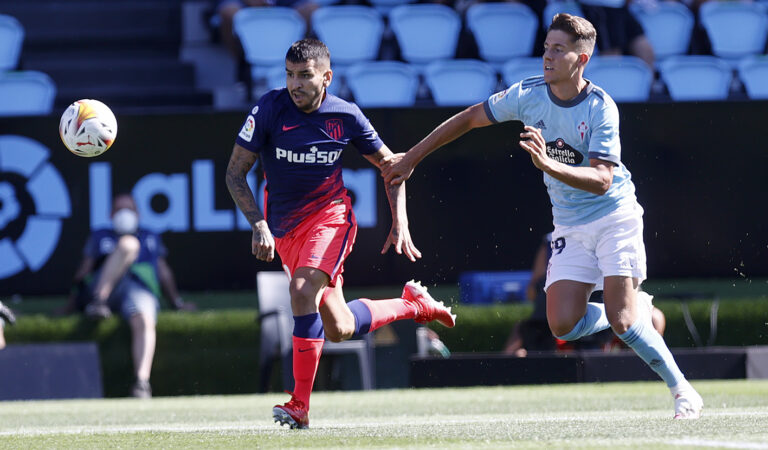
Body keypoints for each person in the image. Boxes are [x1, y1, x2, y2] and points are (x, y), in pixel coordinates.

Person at [381, 13, 702, 419]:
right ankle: (631, 309)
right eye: (546, 47)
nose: (547, 56)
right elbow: (468, 119)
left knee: (623, 322)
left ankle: (682, 391)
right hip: (570, 224)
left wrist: (550, 166)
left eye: (558, 49)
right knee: (562, 325)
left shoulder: (602, 107)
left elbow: (603, 180)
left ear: (581, 59)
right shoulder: (527, 94)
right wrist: (410, 159)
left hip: (615, 216)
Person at [225, 38, 456, 430]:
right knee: (340, 327)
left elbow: (392, 167)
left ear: (327, 77)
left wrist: (399, 219)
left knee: (301, 292)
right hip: (284, 230)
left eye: (305, 75)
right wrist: (259, 224)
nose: (295, 84)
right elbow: (234, 173)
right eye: (289, 75)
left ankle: (299, 405)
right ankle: (413, 305)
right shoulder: (268, 108)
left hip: (330, 219)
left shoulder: (345, 116)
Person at [64, 193, 195, 398]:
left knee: (144, 319)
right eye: (118, 210)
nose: (124, 214)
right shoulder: (100, 235)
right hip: (103, 289)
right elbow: (83, 273)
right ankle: (99, 300)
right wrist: (70, 305)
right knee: (128, 244)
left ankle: (142, 382)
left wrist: (177, 302)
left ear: (138, 214)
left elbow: (163, 271)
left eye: (129, 210)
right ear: (110, 214)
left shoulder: (150, 236)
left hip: (136, 289)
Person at [503, 233, 557, 357]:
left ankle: (504, 369)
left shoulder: (550, 242)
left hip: (549, 324)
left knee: (518, 344)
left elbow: (531, 292)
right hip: (576, 322)